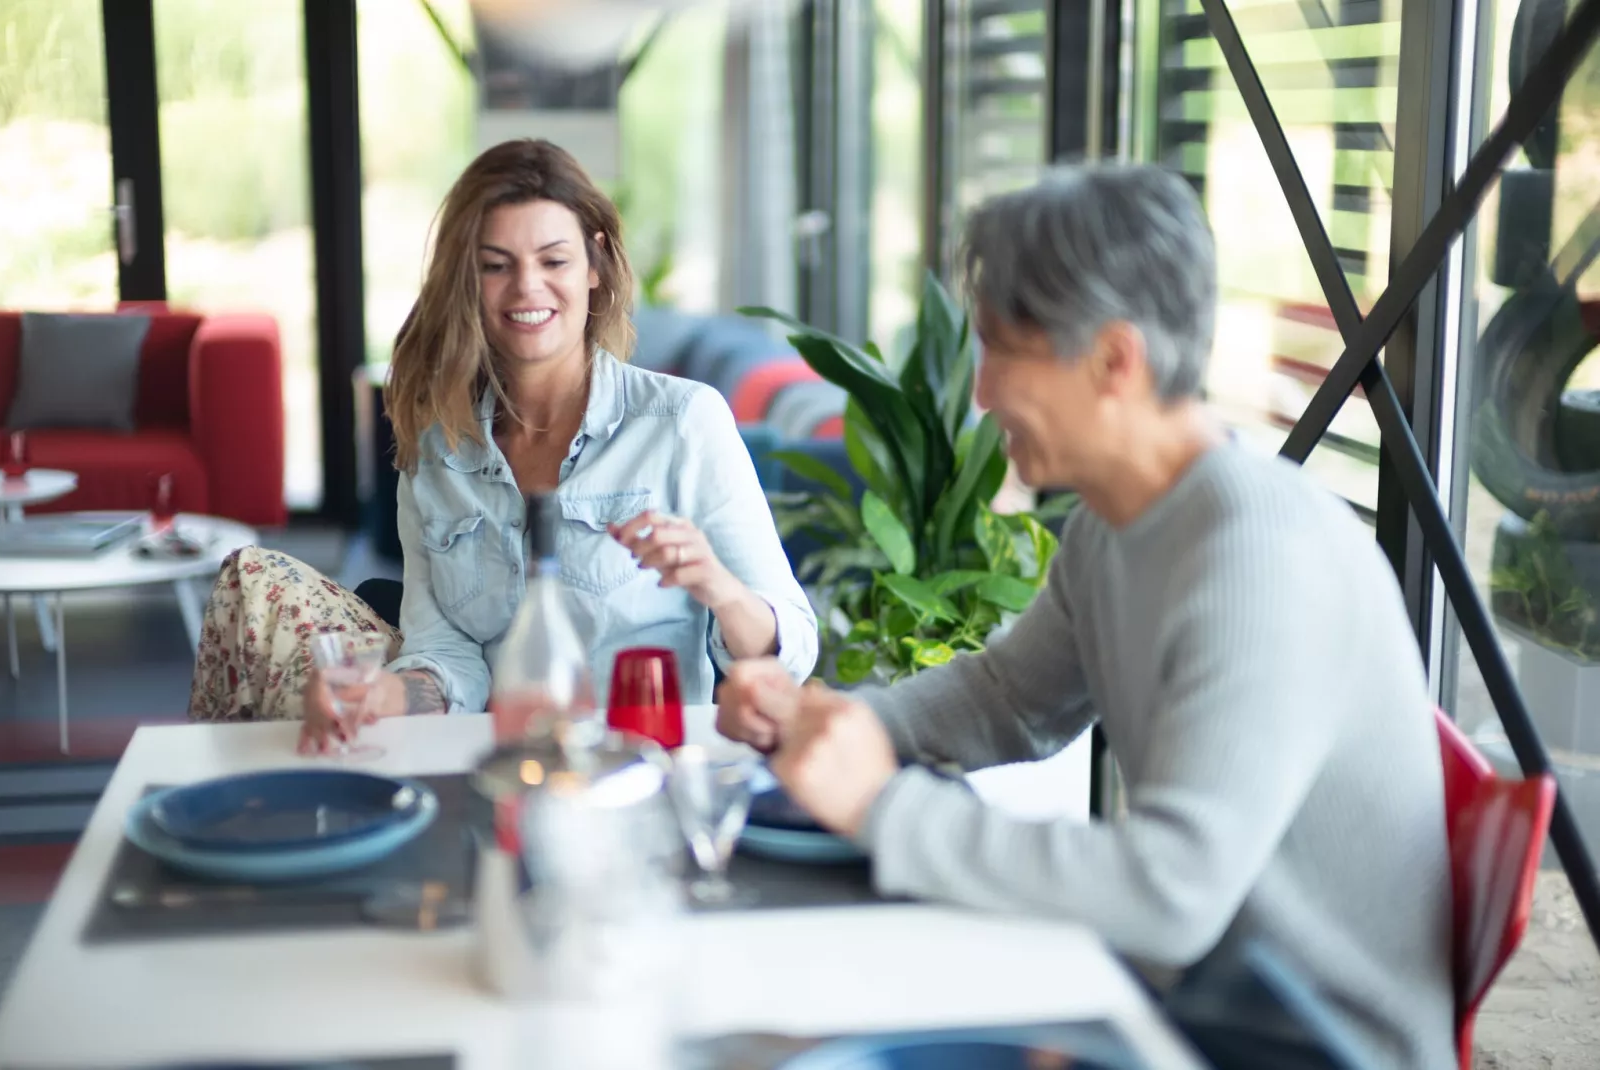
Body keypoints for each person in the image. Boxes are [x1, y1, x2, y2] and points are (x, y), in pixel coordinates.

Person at [716, 162, 1455, 1069]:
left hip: (1303, 1043)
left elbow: (1171, 894)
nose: (980, 395)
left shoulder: (1258, 554)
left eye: (1001, 351)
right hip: (1196, 1005)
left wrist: (879, 804)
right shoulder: (1118, 524)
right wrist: (830, 722)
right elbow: (1008, 700)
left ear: (1114, 361)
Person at [189, 138, 817, 749]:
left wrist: (718, 587)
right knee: (253, 578)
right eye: (497, 265)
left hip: (637, 765)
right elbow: (447, 655)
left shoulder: (683, 422)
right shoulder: (437, 446)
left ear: (594, 264)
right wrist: (389, 695)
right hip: (492, 764)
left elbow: (794, 652)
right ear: (468, 279)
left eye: (553, 260)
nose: (527, 289)